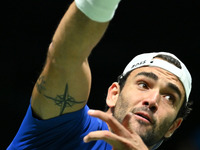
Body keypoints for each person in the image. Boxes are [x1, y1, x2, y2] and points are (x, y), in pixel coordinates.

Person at [7, 0, 192, 149]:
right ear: (114, 94)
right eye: (144, 85)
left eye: (169, 97)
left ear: (173, 126)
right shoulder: (65, 127)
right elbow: (65, 56)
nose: (152, 100)